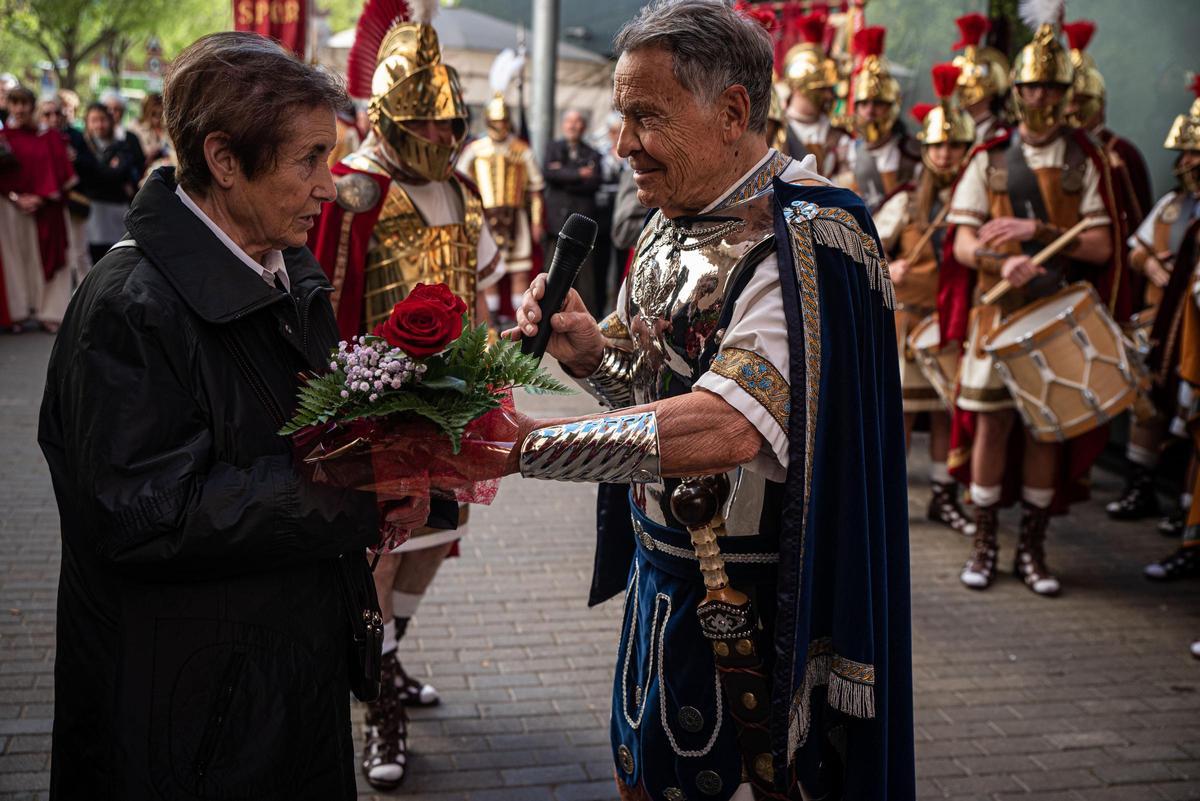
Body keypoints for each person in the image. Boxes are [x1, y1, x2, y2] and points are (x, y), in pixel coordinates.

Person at [506, 1, 914, 798]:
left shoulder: (806, 234)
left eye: (646, 117)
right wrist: (593, 352)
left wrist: (529, 446)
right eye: (623, 117)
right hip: (665, 574)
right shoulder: (672, 218)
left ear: (731, 111)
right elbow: (652, 381)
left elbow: (729, 426)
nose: (622, 144)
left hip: (761, 599)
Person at [38, 32, 430, 800]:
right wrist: (358, 489)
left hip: (276, 678)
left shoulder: (286, 267)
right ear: (223, 160)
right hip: (187, 714)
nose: (331, 186)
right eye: (309, 159)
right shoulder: (130, 305)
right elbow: (150, 514)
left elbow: (295, 432)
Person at [308, 0, 505, 788]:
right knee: (378, 554)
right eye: (429, 126)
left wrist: (492, 374)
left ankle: (386, 655)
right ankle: (377, 700)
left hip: (454, 396)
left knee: (432, 543)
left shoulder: (460, 191)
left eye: (452, 125)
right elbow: (321, 303)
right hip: (375, 403)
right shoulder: (354, 191)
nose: (445, 139)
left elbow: (482, 287)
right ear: (389, 119)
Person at [943, 17, 1123, 596]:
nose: (1039, 97)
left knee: (1046, 428)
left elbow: (1099, 243)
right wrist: (1002, 263)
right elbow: (964, 243)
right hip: (997, 318)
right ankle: (986, 544)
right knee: (992, 426)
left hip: (1055, 319)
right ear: (1015, 93)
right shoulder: (989, 157)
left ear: (1068, 96)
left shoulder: (1082, 161)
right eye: (1030, 88)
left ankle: (1033, 550)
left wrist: (1037, 231)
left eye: (1050, 88)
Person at [873, 64, 975, 537]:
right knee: (903, 413)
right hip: (908, 323)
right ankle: (890, 501)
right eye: (938, 145)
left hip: (951, 321)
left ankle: (942, 498)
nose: (947, 153)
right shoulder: (909, 201)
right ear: (927, 149)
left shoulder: (977, 196)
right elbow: (862, 245)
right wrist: (885, 265)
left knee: (941, 415)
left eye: (955, 145)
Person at [1143, 81, 1200, 579]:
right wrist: (1155, 267)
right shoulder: (1172, 208)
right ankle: (1185, 526)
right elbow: (1139, 247)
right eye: (1186, 152)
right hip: (1179, 332)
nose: (1189, 161)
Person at [458, 50, 544, 323]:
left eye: (503, 121)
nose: (499, 126)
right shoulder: (475, 149)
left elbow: (536, 189)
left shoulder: (521, 150)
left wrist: (537, 220)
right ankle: (492, 319)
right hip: (485, 215)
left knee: (519, 270)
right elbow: (460, 184)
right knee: (489, 270)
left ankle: (518, 317)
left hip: (516, 216)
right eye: (495, 122)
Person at [0, 86, 74, 332]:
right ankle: (18, 313)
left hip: (48, 207)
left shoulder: (48, 136)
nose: (20, 108)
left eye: (24, 103)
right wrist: (14, 197)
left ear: (32, 106)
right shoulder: (3, 137)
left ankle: (51, 313)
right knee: (15, 260)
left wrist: (40, 198)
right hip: (10, 206)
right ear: (8, 106)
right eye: (15, 103)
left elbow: (61, 173)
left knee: (50, 259)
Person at [846, 26, 921, 212]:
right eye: (864, 104)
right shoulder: (853, 148)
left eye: (878, 104)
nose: (870, 111)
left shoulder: (911, 150)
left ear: (891, 106)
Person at [779, 11, 852, 183]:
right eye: (821, 89)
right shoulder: (775, 129)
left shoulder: (838, 136)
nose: (828, 95)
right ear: (800, 87)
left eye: (829, 89)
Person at [543, 108, 603, 314]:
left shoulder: (593, 153)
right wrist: (579, 173)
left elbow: (594, 182)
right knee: (551, 275)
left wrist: (564, 174)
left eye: (577, 121)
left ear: (584, 127)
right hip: (556, 224)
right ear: (563, 125)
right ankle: (547, 314)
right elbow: (549, 174)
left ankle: (586, 318)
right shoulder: (553, 148)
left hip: (583, 228)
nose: (573, 125)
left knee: (585, 279)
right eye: (569, 121)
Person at [80, 102, 140, 263]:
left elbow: (119, 173)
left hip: (116, 211)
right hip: (92, 212)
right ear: (87, 122)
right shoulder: (82, 147)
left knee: (116, 258)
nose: (99, 125)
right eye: (94, 120)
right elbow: (87, 175)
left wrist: (95, 170)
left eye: (103, 119)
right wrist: (105, 169)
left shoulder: (121, 146)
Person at [949, 13, 1010, 145]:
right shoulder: (953, 129)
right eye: (962, 87)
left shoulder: (1001, 134)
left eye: (969, 87)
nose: (963, 93)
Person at [126, 91, 175, 180]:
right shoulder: (135, 127)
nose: (157, 119)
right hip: (144, 174)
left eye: (160, 114)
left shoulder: (168, 129)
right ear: (146, 111)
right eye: (153, 114)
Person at [101, 89, 146, 178]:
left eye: (116, 109)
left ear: (122, 112)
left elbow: (140, 165)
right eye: (108, 109)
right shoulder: (95, 136)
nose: (112, 113)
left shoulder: (131, 138)